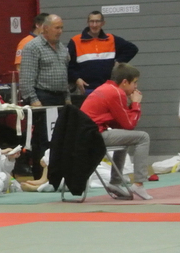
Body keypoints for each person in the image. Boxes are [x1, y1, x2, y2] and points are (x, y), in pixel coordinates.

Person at [80, 63, 152, 200]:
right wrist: (136, 103)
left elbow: (122, 124)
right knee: (143, 137)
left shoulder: (106, 88)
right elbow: (130, 125)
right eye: (135, 82)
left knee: (124, 135)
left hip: (86, 135)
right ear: (125, 82)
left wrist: (130, 107)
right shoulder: (116, 93)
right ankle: (138, 183)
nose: (136, 86)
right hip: (94, 136)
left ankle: (115, 182)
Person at [68, 10, 138, 96]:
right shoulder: (76, 41)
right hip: (86, 90)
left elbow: (132, 49)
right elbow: (68, 65)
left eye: (97, 21)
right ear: (88, 23)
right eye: (92, 21)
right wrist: (76, 79)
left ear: (103, 23)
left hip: (108, 89)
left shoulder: (111, 39)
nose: (94, 25)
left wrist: (118, 61)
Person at [18, 14, 70, 107]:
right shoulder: (32, 47)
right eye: (57, 28)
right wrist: (33, 100)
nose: (60, 31)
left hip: (60, 97)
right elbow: (26, 79)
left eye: (61, 28)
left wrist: (67, 98)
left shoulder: (62, 48)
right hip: (42, 98)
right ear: (46, 28)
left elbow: (64, 75)